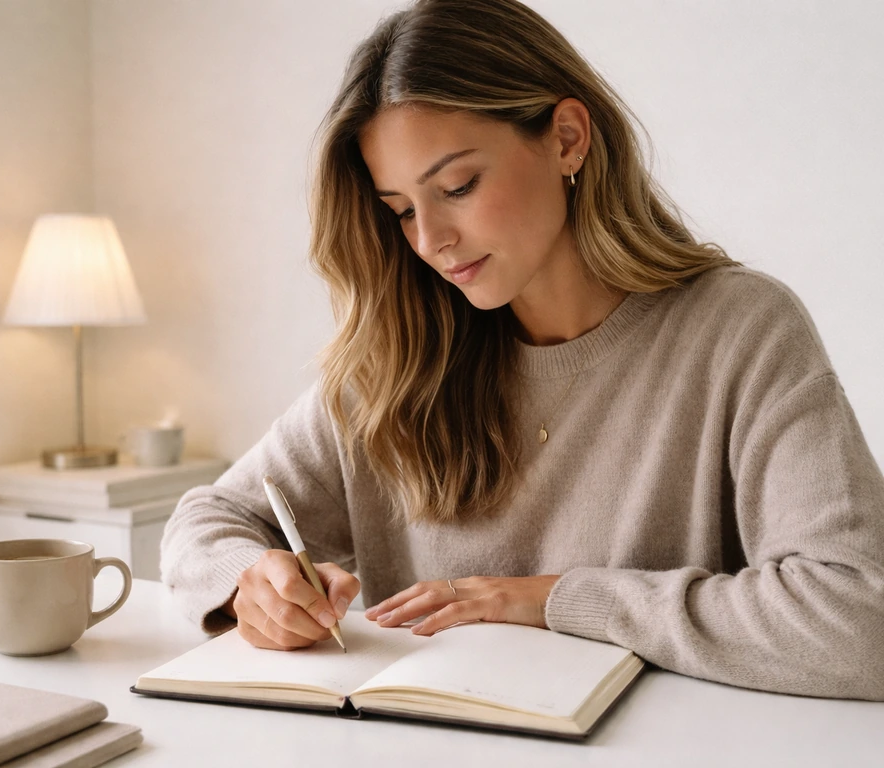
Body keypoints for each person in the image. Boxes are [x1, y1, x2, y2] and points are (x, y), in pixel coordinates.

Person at [160, 0, 884, 701]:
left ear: (568, 138)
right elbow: (205, 518)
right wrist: (252, 579)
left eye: (458, 186)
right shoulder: (398, 359)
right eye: (403, 210)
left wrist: (557, 600)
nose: (429, 241)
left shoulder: (739, 331)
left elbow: (858, 619)